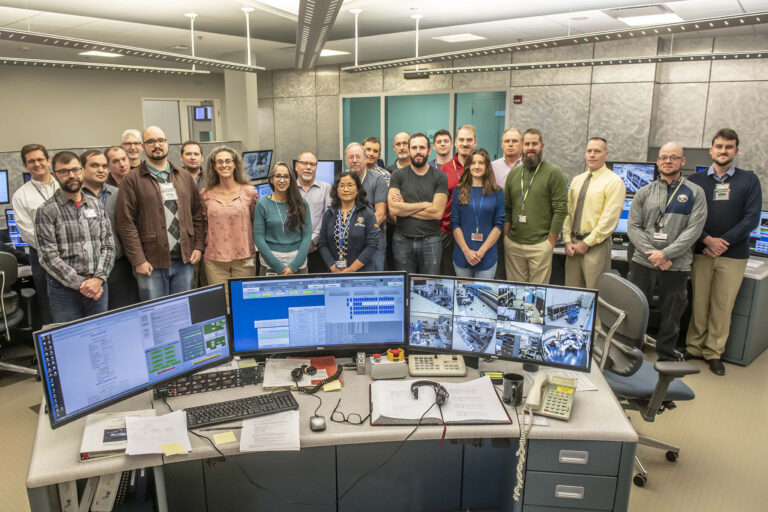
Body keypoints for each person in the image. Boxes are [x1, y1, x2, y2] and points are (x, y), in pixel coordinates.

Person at [685, 129, 762, 375]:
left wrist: (722, 242)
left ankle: (713, 352)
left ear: (736, 150)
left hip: (733, 255)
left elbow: (751, 219)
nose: (723, 151)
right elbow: (689, 218)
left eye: (729, 147)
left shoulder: (749, 181)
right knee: (699, 302)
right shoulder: (696, 182)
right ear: (711, 150)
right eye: (719, 146)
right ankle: (694, 347)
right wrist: (707, 240)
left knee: (722, 306)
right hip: (701, 252)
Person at [628, 142, 707, 362]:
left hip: (677, 265)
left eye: (673, 157)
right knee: (635, 309)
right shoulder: (644, 192)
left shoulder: (695, 193)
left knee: (672, 314)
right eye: (664, 157)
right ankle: (632, 353)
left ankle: (666, 357)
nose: (668, 161)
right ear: (658, 161)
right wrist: (653, 253)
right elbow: (633, 226)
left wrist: (667, 254)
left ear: (683, 161)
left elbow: (694, 230)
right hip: (643, 261)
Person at [116, 126, 204, 301]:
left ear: (167, 143)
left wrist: (198, 246)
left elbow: (197, 215)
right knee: (155, 315)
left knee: (182, 314)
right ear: (143, 146)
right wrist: (138, 260)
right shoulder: (132, 180)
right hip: (150, 263)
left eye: (160, 140)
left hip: (184, 261)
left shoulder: (184, 176)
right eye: (150, 141)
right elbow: (126, 224)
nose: (156, 145)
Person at [34, 151, 114, 323]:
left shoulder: (96, 205)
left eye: (75, 170)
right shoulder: (47, 211)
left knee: (99, 337)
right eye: (64, 172)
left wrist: (98, 278)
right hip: (64, 290)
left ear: (82, 171)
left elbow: (108, 245)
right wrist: (82, 284)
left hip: (98, 284)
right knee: (70, 342)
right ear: (55, 175)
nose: (71, 175)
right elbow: (48, 257)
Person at [503, 128, 568, 284]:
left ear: (542, 146)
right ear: (521, 146)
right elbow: (507, 206)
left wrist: (550, 241)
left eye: (534, 144)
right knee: (515, 293)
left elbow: (561, 209)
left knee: (537, 295)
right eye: (527, 144)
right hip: (514, 244)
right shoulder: (514, 173)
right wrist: (506, 236)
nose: (530, 148)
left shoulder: (554, 173)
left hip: (540, 245)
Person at [562, 138, 626, 289]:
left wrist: (586, 243)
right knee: (571, 294)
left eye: (597, 151)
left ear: (606, 154)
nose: (592, 155)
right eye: (589, 151)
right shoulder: (577, 180)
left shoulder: (614, 182)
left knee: (595, 295)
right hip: (573, 246)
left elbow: (609, 219)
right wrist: (566, 240)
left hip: (596, 246)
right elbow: (568, 213)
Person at [80, 149, 138, 310]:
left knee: (123, 313)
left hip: (118, 266)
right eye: (94, 165)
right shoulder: (75, 197)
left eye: (104, 166)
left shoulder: (119, 194)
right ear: (82, 169)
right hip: (88, 270)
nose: (101, 170)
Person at [388, 133, 448, 274]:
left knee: (430, 286)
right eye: (414, 147)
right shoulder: (398, 175)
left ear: (429, 151)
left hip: (431, 240)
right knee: (404, 285)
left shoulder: (440, 176)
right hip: (402, 240)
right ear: (409, 151)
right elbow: (394, 209)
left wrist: (406, 207)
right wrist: (426, 204)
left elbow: (437, 213)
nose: (418, 151)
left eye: (422, 147)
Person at [12, 143, 58, 324]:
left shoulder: (64, 185)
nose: (37, 164)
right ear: (25, 166)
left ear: (48, 161)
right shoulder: (21, 195)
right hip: (42, 257)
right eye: (31, 161)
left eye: (40, 159)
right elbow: (27, 232)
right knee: (50, 306)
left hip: (75, 253)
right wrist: (56, 249)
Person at [200, 146, 259, 285]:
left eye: (228, 161)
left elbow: (254, 221)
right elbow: (203, 224)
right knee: (221, 302)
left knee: (243, 300)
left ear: (235, 165)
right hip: (215, 259)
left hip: (244, 257)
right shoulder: (205, 194)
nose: (224, 165)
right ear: (214, 166)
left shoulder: (249, 192)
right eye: (219, 162)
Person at [450, 148, 505, 278]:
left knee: (483, 297)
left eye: (481, 163)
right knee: (464, 297)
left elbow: (499, 224)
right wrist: (467, 251)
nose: (477, 166)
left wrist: (481, 251)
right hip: (462, 255)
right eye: (473, 163)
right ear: (468, 166)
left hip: (486, 256)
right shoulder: (459, 190)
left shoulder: (497, 192)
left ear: (487, 166)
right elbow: (454, 222)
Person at [253, 162, 311, 275]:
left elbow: (307, 236)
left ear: (291, 180)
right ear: (271, 179)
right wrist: (278, 267)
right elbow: (259, 238)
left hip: (297, 263)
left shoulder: (301, 203)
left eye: (286, 176)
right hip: (270, 264)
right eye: (278, 176)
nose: (282, 180)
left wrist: (294, 267)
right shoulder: (262, 204)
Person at [317, 172, 380, 273]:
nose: (346, 189)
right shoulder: (329, 214)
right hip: (334, 272)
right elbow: (322, 244)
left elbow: (372, 245)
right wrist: (333, 267)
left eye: (350, 185)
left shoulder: (367, 213)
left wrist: (351, 269)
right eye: (341, 186)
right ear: (336, 190)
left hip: (361, 272)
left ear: (357, 190)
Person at [439, 125, 478, 275]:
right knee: (447, 276)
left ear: (475, 142)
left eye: (469, 140)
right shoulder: (444, 170)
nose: (465, 143)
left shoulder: (482, 168)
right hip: (448, 233)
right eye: (461, 139)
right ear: (455, 142)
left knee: (471, 279)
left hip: (474, 234)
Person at [345, 142, 387, 270]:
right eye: (351, 157)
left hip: (373, 241)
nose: (355, 160)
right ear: (346, 160)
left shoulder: (378, 180)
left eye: (358, 157)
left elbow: (381, 214)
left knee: (373, 283)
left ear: (365, 158)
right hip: (348, 243)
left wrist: (359, 233)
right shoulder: (341, 180)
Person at [491, 127, 523, 280]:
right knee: (498, 270)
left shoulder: (529, 167)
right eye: (507, 141)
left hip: (520, 227)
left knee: (516, 273)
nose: (510, 144)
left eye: (514, 141)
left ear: (521, 144)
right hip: (496, 225)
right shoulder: (492, 167)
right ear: (502, 145)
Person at [296, 151, 332, 273]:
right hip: (293, 249)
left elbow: (328, 218)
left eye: (312, 164)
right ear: (296, 166)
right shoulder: (289, 190)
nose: (308, 167)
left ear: (316, 167)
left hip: (317, 249)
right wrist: (301, 244)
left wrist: (312, 241)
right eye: (304, 163)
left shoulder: (326, 188)